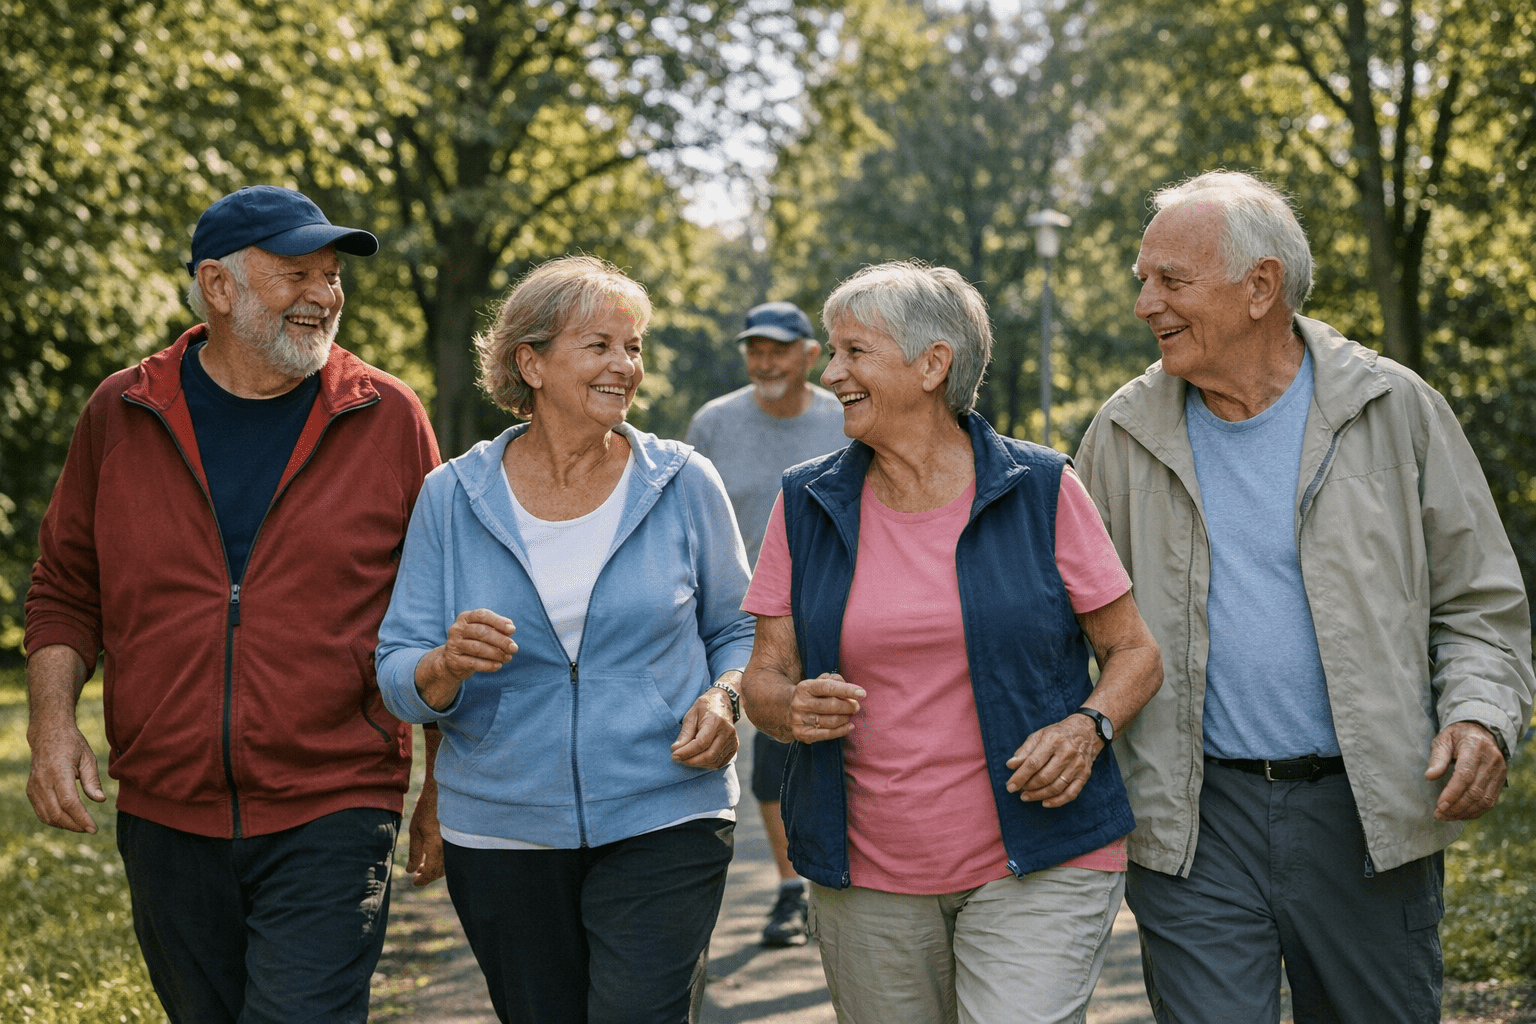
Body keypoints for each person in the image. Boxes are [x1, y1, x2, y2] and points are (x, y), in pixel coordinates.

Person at [1075, 170, 1536, 1023]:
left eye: (1171, 281)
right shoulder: (1122, 431)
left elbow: (1479, 603)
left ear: (1260, 287)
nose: (1146, 304)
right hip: (1193, 818)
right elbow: (1069, 622)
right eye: (1144, 279)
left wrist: (1479, 714)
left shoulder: (1395, 408)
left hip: (1368, 811)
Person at [24, 185, 443, 1023]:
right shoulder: (122, 411)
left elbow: (438, 606)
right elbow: (67, 588)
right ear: (218, 286)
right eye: (298, 274)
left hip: (336, 797)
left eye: (332, 277)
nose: (325, 295)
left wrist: (445, 778)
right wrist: (51, 724)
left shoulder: (388, 416)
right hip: (165, 808)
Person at [741, 260, 1163, 1024]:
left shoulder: (1040, 487)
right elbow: (763, 678)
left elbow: (1134, 651)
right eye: (832, 352)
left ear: (933, 364)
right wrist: (792, 707)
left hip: (1041, 856)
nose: (831, 372)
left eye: (854, 352)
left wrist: (1088, 726)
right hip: (864, 872)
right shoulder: (805, 504)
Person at [375, 255, 755, 1024]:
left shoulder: (683, 482)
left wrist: (725, 695)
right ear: (531, 362)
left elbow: (740, 626)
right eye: (600, 345)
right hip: (503, 826)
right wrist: (445, 663)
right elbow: (395, 670)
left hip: (666, 809)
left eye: (635, 346)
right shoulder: (452, 496)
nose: (626, 365)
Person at [686, 299, 846, 946]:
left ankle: (853, 876)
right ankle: (789, 888)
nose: (765, 361)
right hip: (756, 617)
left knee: (851, 741)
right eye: (754, 348)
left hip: (839, 603)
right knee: (773, 764)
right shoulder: (715, 424)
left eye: (779, 349)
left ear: (810, 355)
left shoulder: (845, 417)